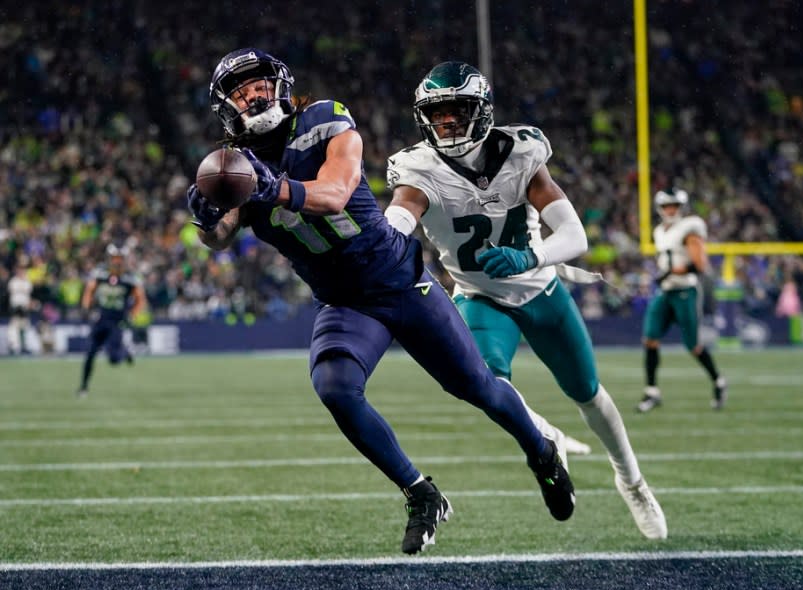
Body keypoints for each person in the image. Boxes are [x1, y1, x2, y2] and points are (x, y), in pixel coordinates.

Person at [187, 48, 576, 555]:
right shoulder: (236, 165)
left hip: (397, 280)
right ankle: (421, 494)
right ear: (226, 105)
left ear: (281, 84)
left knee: (477, 386)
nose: (254, 93)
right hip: (344, 301)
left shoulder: (324, 118)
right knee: (335, 385)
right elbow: (220, 236)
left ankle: (542, 452)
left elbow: (335, 192)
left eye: (260, 83)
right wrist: (206, 218)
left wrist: (277, 187)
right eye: (241, 89)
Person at [385, 61, 667, 540]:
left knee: (589, 393)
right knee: (487, 384)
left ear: (482, 111)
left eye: (458, 110)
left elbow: (574, 235)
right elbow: (399, 219)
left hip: (541, 290)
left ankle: (632, 480)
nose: (448, 121)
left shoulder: (520, 152)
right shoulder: (417, 169)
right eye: (438, 113)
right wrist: (384, 240)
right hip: (478, 296)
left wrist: (528, 256)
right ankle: (543, 438)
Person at [637, 188, 727, 412]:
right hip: (666, 292)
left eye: (674, 206)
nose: (671, 210)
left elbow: (700, 264)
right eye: (667, 206)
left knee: (693, 346)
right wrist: (660, 275)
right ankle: (652, 391)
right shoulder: (659, 231)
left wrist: (672, 272)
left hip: (686, 292)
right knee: (650, 339)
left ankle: (718, 381)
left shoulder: (690, 227)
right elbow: (664, 261)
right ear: (660, 208)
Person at [77, 244, 145, 397]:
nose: (117, 262)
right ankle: (83, 387)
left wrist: (132, 314)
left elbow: (140, 300)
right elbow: (89, 290)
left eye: (120, 258)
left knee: (114, 360)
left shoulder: (131, 278)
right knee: (90, 353)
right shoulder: (100, 273)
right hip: (101, 319)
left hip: (117, 321)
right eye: (115, 258)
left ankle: (124, 352)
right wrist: (86, 307)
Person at [6, 263, 33, 355]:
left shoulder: (27, 281)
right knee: (13, 327)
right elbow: (13, 292)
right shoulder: (13, 281)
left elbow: (27, 293)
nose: (21, 272)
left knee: (25, 327)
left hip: (24, 308)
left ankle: (25, 346)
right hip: (16, 307)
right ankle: (14, 347)